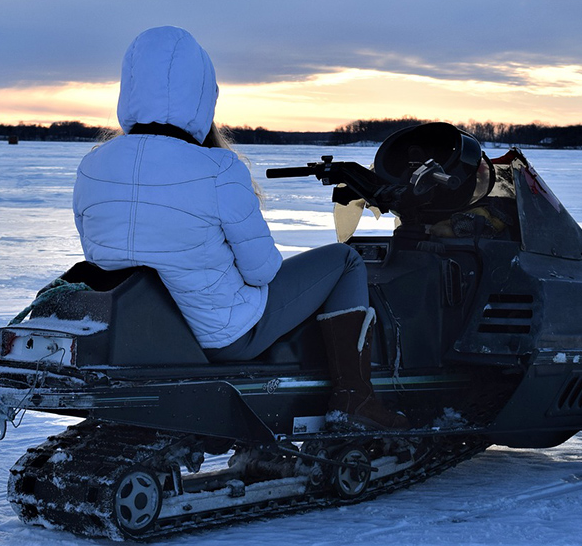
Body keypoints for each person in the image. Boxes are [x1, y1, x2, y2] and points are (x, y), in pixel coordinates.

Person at [72, 26, 407, 430]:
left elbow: (97, 255)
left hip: (143, 331)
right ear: (201, 96)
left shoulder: (93, 164)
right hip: (223, 335)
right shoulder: (218, 168)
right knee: (345, 260)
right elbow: (263, 271)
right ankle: (355, 398)